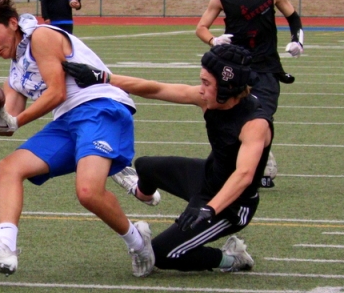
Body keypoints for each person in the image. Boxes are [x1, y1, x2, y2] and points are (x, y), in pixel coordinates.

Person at [0, 0, 154, 278]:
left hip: (99, 107)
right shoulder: (16, 72)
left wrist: (15, 121)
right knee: (9, 168)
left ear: (12, 23)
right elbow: (9, 122)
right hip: (68, 121)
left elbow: (56, 92)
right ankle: (5, 248)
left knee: (87, 192)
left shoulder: (41, 37)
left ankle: (138, 241)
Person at [63, 44, 272, 274]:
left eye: (206, 83)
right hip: (208, 177)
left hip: (232, 204)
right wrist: (102, 77)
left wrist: (209, 209)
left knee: (162, 254)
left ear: (226, 88)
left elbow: (244, 175)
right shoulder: (209, 99)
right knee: (145, 166)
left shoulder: (255, 123)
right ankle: (141, 193)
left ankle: (232, 259)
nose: (200, 89)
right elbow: (156, 89)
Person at [195, 0, 303, 188]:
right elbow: (200, 28)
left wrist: (298, 40)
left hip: (266, 67)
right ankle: (236, 165)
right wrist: (214, 41)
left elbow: (293, 17)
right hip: (234, 69)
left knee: (262, 117)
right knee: (233, 119)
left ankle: (260, 168)